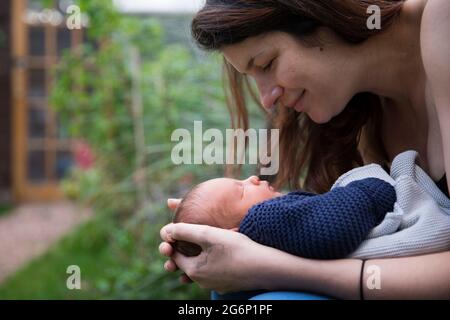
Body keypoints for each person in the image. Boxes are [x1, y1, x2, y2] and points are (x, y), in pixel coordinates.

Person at [160, 0, 450, 299]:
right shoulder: (361, 109)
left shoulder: (443, 21)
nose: (266, 100)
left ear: (319, 14)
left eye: (266, 64)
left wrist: (267, 267)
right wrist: (230, 221)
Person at [172, 175, 395, 259]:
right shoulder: (262, 220)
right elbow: (334, 228)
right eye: (241, 191)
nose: (252, 178)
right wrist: (369, 190)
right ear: (232, 236)